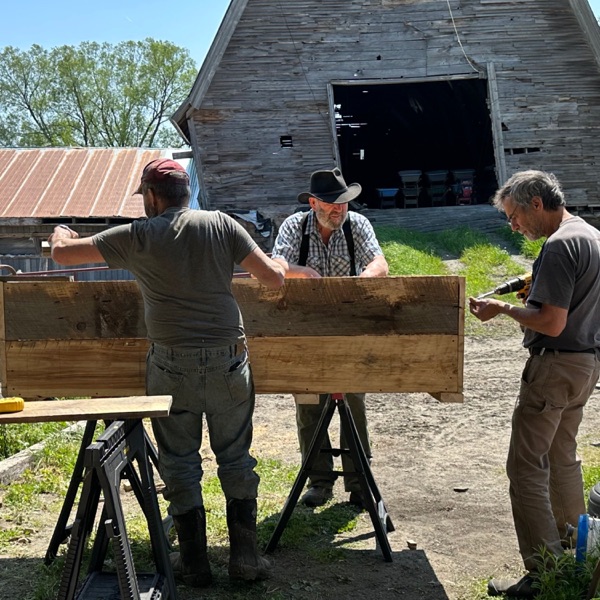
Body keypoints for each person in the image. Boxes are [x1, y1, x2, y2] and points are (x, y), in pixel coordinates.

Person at [49, 158, 285, 588]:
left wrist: (60, 232)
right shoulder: (222, 225)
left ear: (154, 196)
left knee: (179, 461)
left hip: (170, 364)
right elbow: (272, 281)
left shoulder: (138, 236)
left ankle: (194, 563)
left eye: (145, 198)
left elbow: (64, 254)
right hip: (227, 361)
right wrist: (282, 264)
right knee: (235, 456)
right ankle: (246, 559)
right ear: (186, 192)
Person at [469, 170, 600, 598]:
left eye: (514, 216)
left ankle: (544, 573)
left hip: (554, 366)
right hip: (585, 364)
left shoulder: (560, 245)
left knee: (525, 467)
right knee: (563, 459)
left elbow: (551, 320)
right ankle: (579, 554)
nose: (514, 226)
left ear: (536, 204)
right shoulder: (591, 236)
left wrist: (503, 308)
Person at [271, 167, 389, 508]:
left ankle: (358, 482)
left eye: (343, 204)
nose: (339, 211)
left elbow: (380, 262)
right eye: (331, 205)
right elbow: (276, 264)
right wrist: (297, 271)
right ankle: (319, 481)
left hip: (348, 330)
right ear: (313, 203)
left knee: (353, 405)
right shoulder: (294, 226)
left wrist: (363, 280)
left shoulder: (358, 225)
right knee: (309, 408)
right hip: (305, 332)